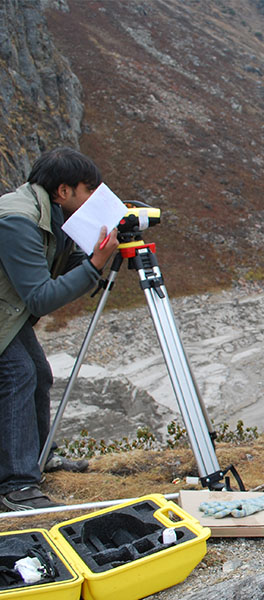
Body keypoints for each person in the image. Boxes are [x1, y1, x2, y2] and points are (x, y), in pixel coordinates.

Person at [0, 147, 119, 511]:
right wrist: (97, 264)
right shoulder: (17, 220)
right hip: (10, 312)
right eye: (88, 190)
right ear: (64, 191)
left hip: (7, 312)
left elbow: (65, 261)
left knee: (38, 371)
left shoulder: (54, 216)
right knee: (18, 373)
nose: (93, 199)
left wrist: (91, 260)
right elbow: (39, 297)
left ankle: (37, 458)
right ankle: (16, 486)